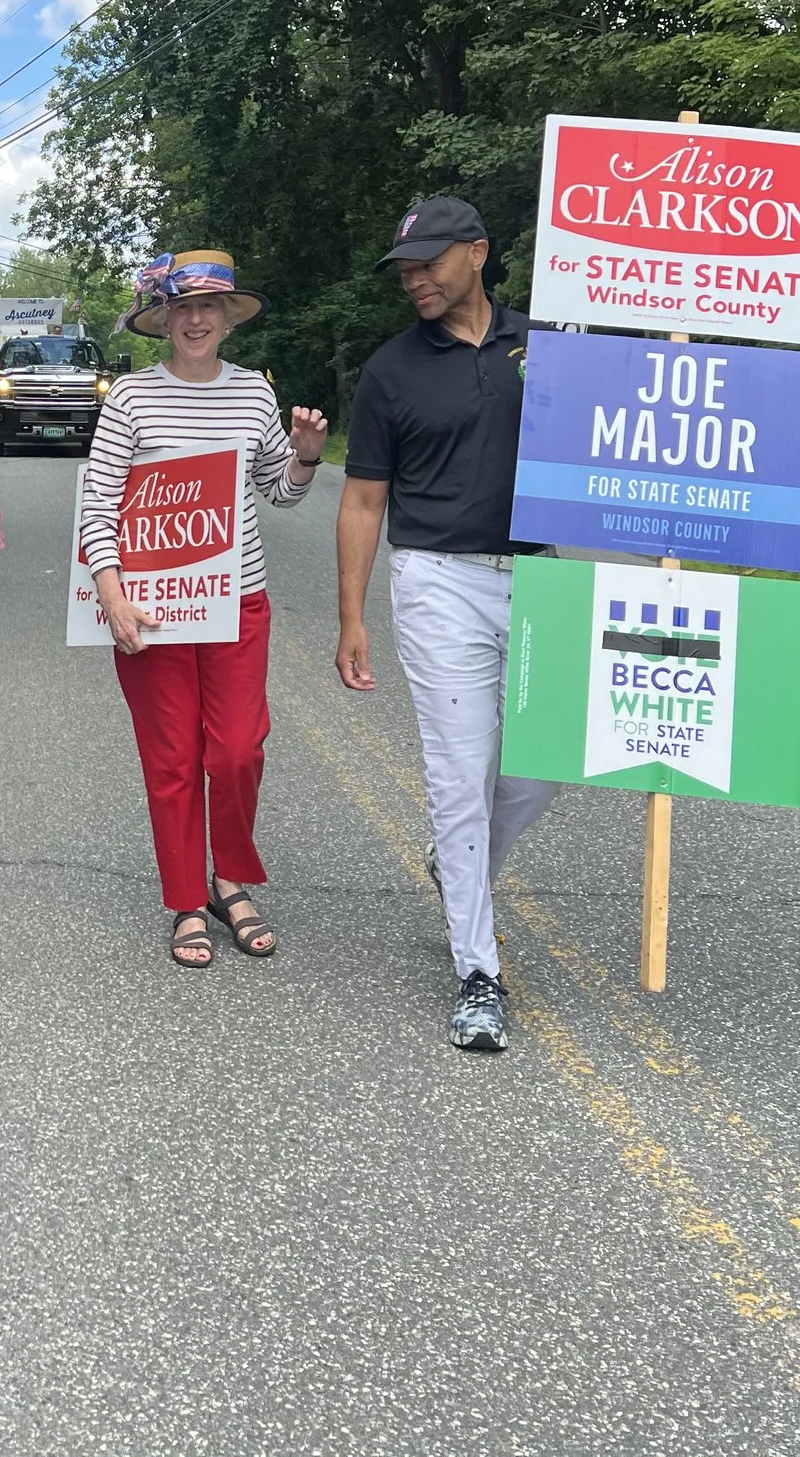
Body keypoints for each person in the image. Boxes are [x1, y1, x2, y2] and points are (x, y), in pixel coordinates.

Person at [334, 195, 558, 1052]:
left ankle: (457, 863)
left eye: (431, 260)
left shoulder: (547, 349)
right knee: (461, 774)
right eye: (406, 268)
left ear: (478, 252)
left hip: (539, 580)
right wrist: (351, 616)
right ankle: (478, 969)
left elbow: (612, 453)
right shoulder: (391, 370)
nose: (417, 278)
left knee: (540, 771)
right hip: (437, 580)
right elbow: (361, 501)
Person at [80, 251, 327, 969]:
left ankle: (230, 875)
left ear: (226, 319)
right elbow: (99, 503)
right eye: (182, 308)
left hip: (237, 599)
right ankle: (190, 895)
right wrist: (110, 587)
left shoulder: (252, 394)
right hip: (152, 605)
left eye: (209, 308)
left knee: (238, 747)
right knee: (174, 756)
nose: (195, 319)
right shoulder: (129, 398)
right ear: (162, 320)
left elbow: (278, 492)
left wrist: (306, 458)